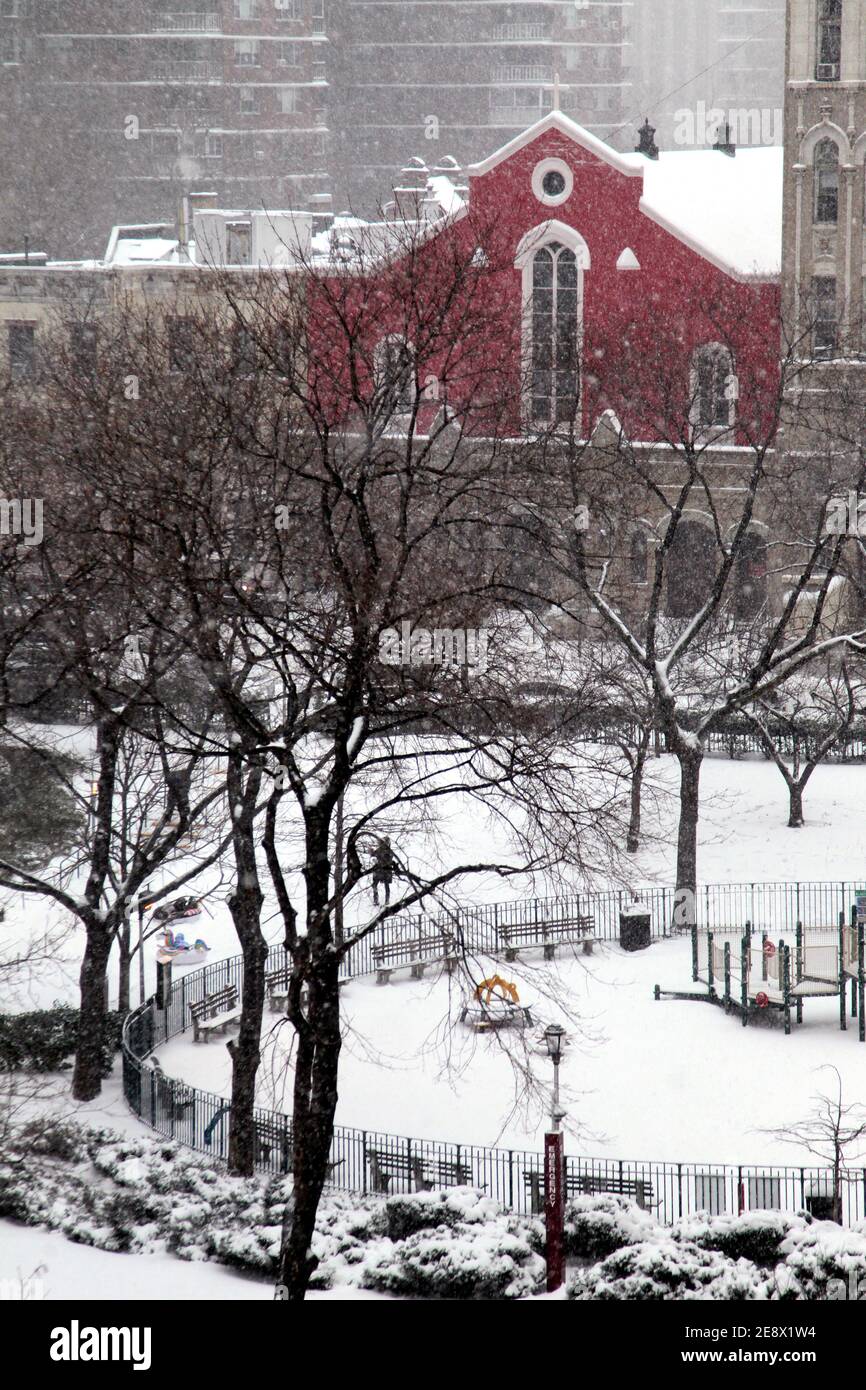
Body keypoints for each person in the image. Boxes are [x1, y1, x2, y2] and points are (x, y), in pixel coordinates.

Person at [372, 835, 396, 905]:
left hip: (386, 871)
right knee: (375, 885)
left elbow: (389, 861)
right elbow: (373, 855)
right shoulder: (379, 850)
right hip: (379, 871)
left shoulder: (389, 851)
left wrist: (379, 861)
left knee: (386, 886)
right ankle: (376, 900)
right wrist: (371, 853)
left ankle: (386, 901)